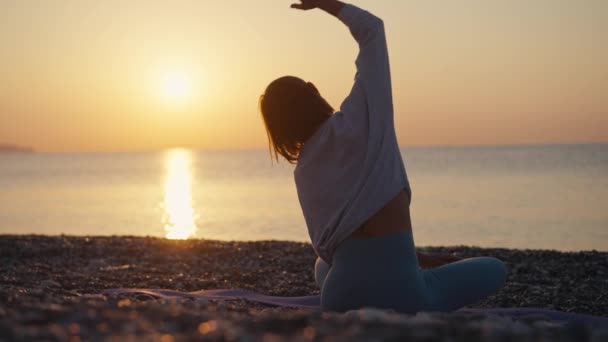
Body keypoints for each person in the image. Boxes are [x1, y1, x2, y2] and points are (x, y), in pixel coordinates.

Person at [259, 0, 507, 313]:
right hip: (403, 297)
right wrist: (324, 4)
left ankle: (405, 268)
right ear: (313, 89)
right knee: (495, 268)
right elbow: (372, 29)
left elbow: (330, 245)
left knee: (323, 264)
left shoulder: (303, 170)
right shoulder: (363, 115)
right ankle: (412, 274)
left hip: (339, 299)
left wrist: (414, 258)